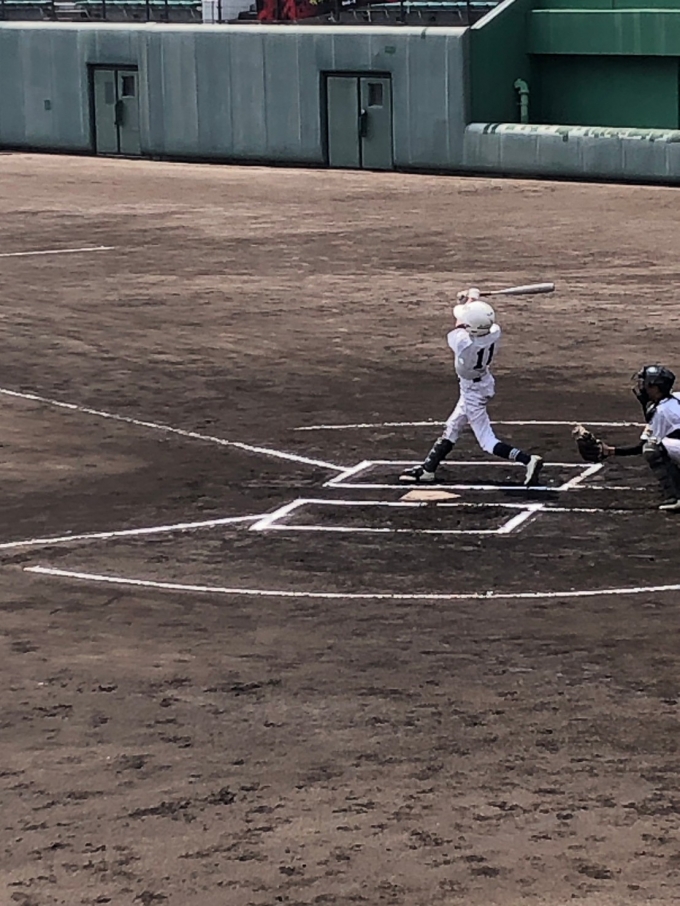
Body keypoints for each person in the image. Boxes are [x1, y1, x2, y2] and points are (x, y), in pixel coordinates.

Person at [399, 288, 544, 487]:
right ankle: (428, 470)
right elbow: (469, 320)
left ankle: (528, 460)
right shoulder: (494, 331)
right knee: (453, 426)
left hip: (472, 393)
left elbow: (460, 321)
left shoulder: (462, 342)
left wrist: (470, 297)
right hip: (482, 381)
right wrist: (471, 299)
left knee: (487, 441)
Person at [596, 365, 680, 511]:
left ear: (656, 388)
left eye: (646, 384)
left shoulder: (661, 412)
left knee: (652, 449)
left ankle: (677, 496)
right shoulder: (677, 397)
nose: (642, 388)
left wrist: (612, 451)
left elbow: (642, 446)